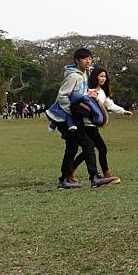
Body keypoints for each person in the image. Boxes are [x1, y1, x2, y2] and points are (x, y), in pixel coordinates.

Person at [52, 48, 115, 189]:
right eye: (85, 59)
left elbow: (80, 93)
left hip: (76, 118)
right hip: (69, 118)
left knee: (72, 147)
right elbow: (62, 96)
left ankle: (64, 180)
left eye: (90, 59)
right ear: (77, 60)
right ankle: (94, 177)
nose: (88, 61)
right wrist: (72, 114)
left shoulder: (83, 75)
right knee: (87, 144)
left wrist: (89, 93)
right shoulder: (73, 76)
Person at [70, 67, 132, 184]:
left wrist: (123, 111)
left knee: (89, 150)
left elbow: (110, 105)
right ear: (95, 77)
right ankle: (105, 173)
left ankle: (71, 170)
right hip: (85, 125)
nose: (103, 79)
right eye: (101, 76)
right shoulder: (87, 90)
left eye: (104, 76)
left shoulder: (103, 92)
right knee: (100, 148)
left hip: (93, 126)